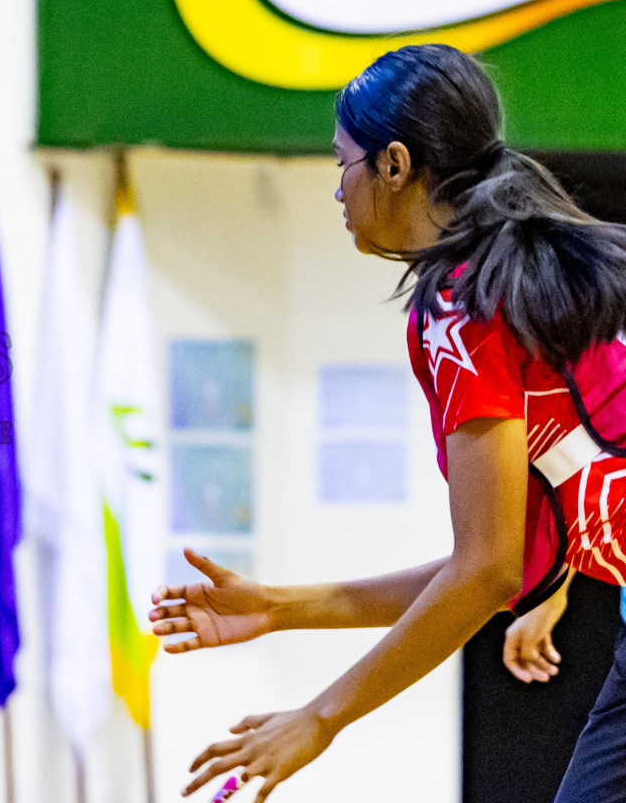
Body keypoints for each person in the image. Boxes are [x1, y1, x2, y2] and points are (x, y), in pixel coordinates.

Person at [148, 44, 626, 802]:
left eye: (344, 163)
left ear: (395, 164)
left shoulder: (466, 307)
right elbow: (498, 565)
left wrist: (320, 718)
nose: (338, 190)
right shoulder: (518, 276)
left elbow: (485, 570)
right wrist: (278, 607)